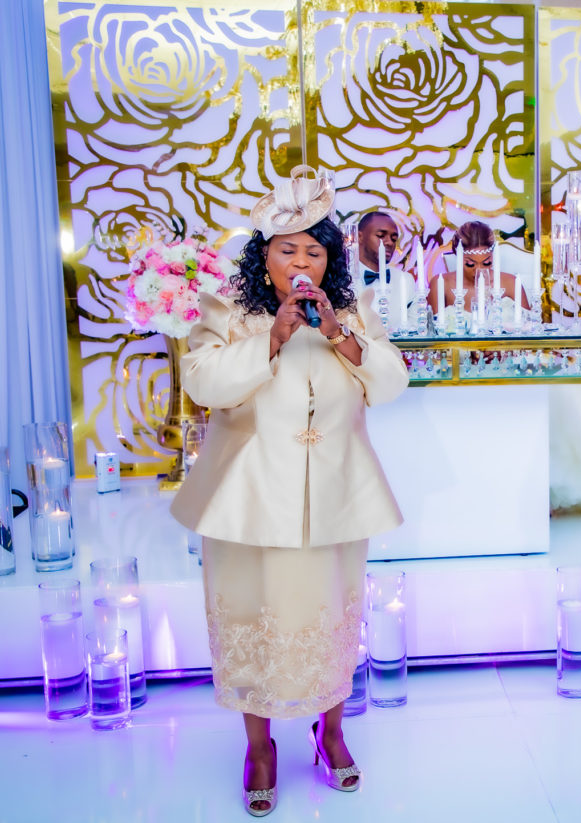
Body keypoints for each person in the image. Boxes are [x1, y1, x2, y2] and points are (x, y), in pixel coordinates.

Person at [169, 166, 409, 816]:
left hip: (336, 493)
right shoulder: (229, 311)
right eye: (287, 249)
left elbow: (390, 383)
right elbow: (203, 383)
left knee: (329, 618)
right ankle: (260, 744)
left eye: (314, 250)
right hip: (247, 500)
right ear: (263, 256)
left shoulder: (348, 315)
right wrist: (270, 339)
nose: (301, 261)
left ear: (329, 261)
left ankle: (330, 732)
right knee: (252, 618)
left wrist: (338, 335)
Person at [427, 220, 529, 323]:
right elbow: (432, 332)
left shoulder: (512, 283)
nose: (479, 270)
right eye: (470, 264)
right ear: (458, 257)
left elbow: (529, 329)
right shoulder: (440, 284)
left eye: (486, 263)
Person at [355, 210, 416, 306]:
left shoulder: (405, 280)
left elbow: (414, 320)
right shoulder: (342, 279)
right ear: (359, 237)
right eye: (381, 236)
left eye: (394, 239)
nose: (390, 243)